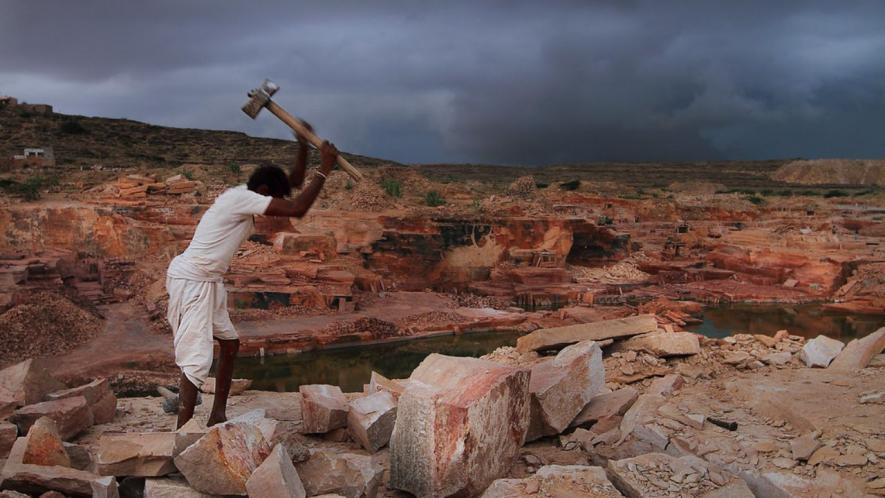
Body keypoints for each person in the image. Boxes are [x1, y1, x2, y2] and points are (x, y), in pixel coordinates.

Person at [166, 128, 336, 428]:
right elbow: (297, 207)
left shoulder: (245, 193)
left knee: (230, 344)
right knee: (196, 361)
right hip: (192, 281)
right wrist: (324, 169)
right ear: (263, 192)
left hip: (209, 281)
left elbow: (293, 185)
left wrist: (301, 146)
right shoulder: (242, 199)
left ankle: (217, 413)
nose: (274, 209)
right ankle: (182, 436)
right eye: (273, 201)